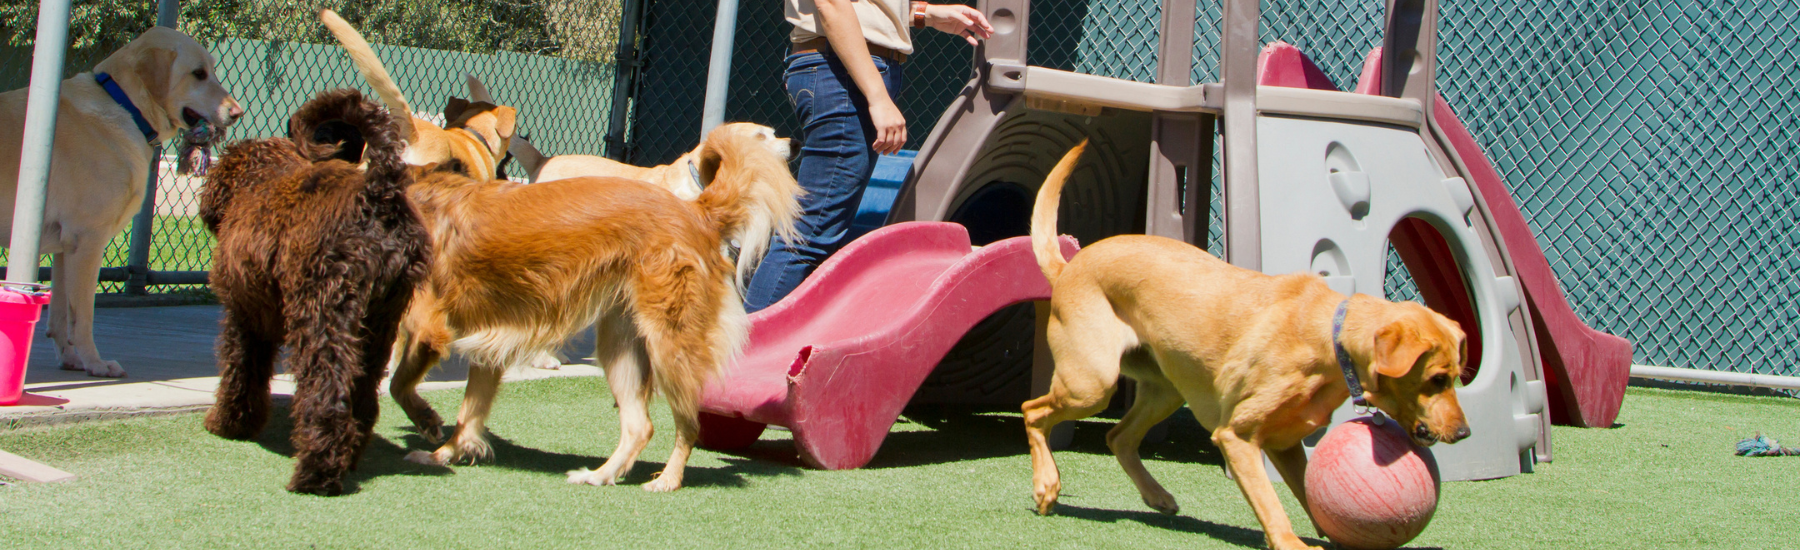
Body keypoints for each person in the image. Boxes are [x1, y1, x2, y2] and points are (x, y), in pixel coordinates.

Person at [744, 0, 994, 312]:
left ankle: (766, 346)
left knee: (819, 233)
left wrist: (924, 14)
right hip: (841, 72)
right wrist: (877, 96)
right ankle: (748, 353)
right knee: (810, 234)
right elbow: (832, 5)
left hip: (848, 68)